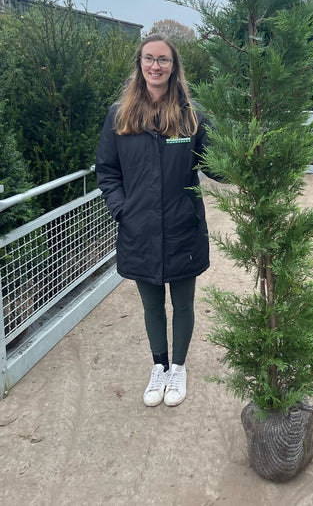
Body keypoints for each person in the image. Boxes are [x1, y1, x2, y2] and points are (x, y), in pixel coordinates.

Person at [96, 33, 213, 408]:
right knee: (151, 305)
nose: (155, 66)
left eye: (163, 59)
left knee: (183, 303)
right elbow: (107, 171)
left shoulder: (192, 117)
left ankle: (178, 367)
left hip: (183, 228)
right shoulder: (120, 116)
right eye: (149, 58)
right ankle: (159, 366)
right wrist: (122, 210)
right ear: (140, 64)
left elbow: (216, 166)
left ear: (174, 66)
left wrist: (245, 154)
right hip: (140, 230)